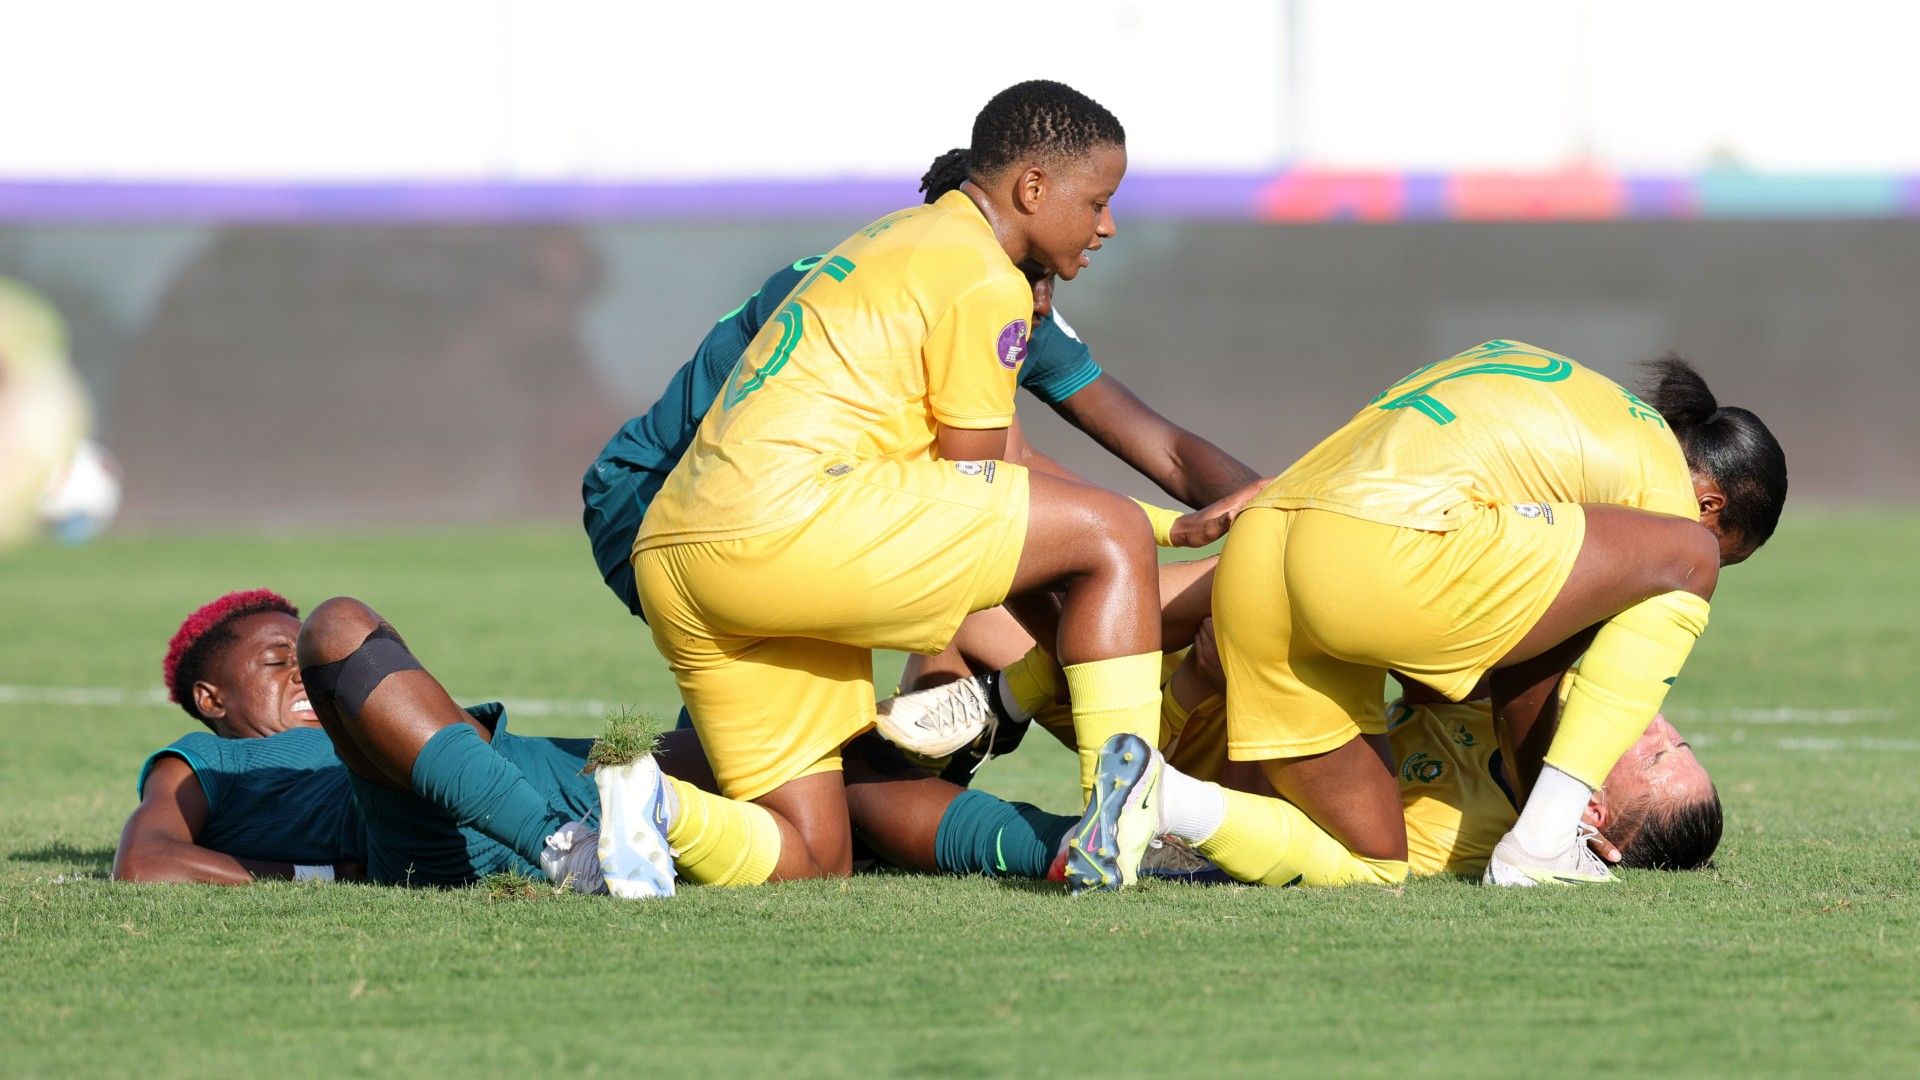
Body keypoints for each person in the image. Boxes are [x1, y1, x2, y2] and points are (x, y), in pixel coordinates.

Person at [628, 79, 1182, 891]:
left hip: (679, 550)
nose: (1108, 224)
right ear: (1032, 189)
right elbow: (982, 476)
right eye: (1098, 200)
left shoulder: (895, 237)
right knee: (1110, 536)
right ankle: (1129, 827)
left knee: (814, 860)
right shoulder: (980, 274)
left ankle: (648, 806)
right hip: (789, 523)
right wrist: (1161, 529)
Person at [1075, 344, 1784, 891]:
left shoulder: (1584, 415)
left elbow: (1458, 653)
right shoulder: (1665, 500)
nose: (1665, 725)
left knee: (1374, 862)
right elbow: (1520, 668)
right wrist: (1549, 812)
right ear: (1711, 504)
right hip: (1370, 558)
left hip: (1275, 539)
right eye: (1732, 554)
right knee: (1685, 558)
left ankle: (1160, 797)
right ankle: (1541, 847)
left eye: (1663, 753)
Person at [583, 151, 1256, 623]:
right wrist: (1151, 532)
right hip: (659, 496)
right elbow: (997, 470)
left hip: (764, 516)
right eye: (1031, 272)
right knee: (1002, 579)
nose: (1044, 304)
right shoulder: (871, 292)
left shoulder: (1014, 296)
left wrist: (1275, 518)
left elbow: (1161, 445)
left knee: (807, 786)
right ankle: (1020, 712)